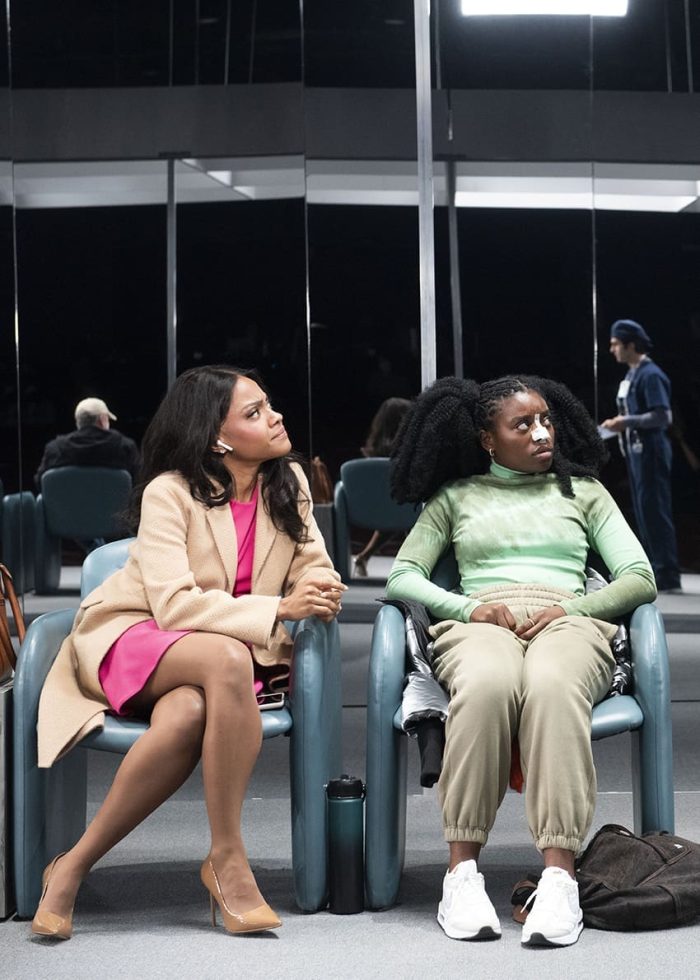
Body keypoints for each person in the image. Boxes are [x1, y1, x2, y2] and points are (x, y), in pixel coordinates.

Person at [32, 364, 345, 941]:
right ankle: (228, 858)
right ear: (217, 437)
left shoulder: (289, 483)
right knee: (225, 657)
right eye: (254, 412)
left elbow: (316, 570)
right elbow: (173, 606)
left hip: (213, 658)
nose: (274, 416)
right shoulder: (170, 492)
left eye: (268, 404)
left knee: (190, 711)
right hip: (134, 635)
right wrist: (279, 609)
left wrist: (317, 590)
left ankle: (70, 866)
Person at [387, 375, 655, 948]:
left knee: (554, 685)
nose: (542, 433)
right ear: (488, 438)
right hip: (483, 621)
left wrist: (571, 606)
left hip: (570, 620)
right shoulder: (455, 497)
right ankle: (460, 875)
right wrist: (468, 606)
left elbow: (640, 577)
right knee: (485, 684)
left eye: (547, 421)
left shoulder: (583, 493)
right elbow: (402, 575)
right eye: (522, 424)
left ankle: (560, 876)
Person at [600, 319, 682, 592]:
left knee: (655, 511)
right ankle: (654, 570)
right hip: (636, 452)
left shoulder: (651, 374)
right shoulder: (632, 374)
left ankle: (667, 574)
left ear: (630, 344)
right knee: (644, 511)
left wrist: (626, 422)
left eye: (615, 344)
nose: (612, 349)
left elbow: (662, 415)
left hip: (652, 452)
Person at [353, 396, 412, 577]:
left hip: (375, 511)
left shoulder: (369, 454)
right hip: (406, 509)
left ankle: (363, 557)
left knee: (396, 509)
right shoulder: (410, 455)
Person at [34, 396, 140, 487]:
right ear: (103, 419)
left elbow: (40, 483)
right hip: (116, 510)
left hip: (68, 509)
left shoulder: (55, 449)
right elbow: (139, 481)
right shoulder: (125, 447)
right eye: (108, 419)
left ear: (78, 421)